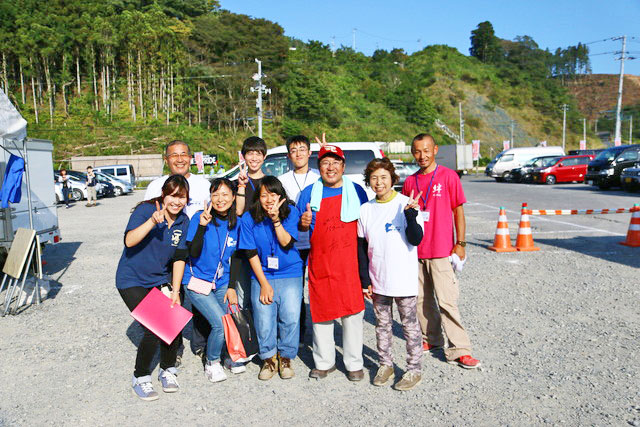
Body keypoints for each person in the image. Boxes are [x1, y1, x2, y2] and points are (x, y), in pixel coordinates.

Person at [401, 133, 481, 369]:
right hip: (416, 251)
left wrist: (461, 243)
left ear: (435, 150)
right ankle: (431, 339)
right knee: (421, 301)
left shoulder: (448, 176)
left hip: (442, 249)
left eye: (426, 150)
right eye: (417, 151)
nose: (421, 156)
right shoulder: (409, 181)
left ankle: (460, 349)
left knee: (447, 301)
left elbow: (458, 212)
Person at [297, 144, 369, 381]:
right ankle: (324, 362)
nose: (331, 167)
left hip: (349, 262)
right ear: (319, 167)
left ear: (343, 166)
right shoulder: (308, 193)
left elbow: (366, 228)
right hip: (321, 261)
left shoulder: (357, 191)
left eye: (335, 162)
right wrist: (303, 224)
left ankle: (354, 363)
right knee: (322, 314)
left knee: (352, 315)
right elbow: (297, 231)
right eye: (325, 162)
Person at [115, 175, 190, 401]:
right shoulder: (146, 210)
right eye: (173, 195)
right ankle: (140, 377)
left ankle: (168, 369)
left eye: (182, 197)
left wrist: (176, 291)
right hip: (132, 279)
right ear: (163, 195)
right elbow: (129, 241)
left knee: (173, 321)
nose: (177, 201)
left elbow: (179, 257)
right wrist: (151, 222)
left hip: (159, 279)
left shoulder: (183, 221)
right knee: (154, 326)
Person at [358, 158, 424, 391]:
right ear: (369, 181)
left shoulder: (408, 203)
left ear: (393, 179)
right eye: (374, 178)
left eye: (384, 177)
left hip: (403, 279)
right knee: (382, 325)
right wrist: (365, 280)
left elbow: (416, 239)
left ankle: (414, 368)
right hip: (379, 280)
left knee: (409, 326)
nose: (379, 182)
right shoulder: (365, 210)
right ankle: (385, 364)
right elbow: (361, 247)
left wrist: (410, 215)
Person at [144, 140, 212, 363]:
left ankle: (201, 344)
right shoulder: (155, 186)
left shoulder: (204, 184)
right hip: (167, 255)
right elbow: (147, 218)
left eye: (184, 154)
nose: (180, 159)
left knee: (200, 297)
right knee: (171, 301)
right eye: (174, 155)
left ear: (191, 158)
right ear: (166, 160)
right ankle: (174, 348)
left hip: (197, 252)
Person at [238, 176, 303, 381]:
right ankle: (268, 358)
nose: (268, 199)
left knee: (290, 317)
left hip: (290, 272)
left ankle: (285, 357)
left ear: (280, 196)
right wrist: (264, 284)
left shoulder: (291, 212)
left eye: (273, 194)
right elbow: (250, 253)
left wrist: (276, 220)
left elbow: (285, 242)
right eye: (264, 194)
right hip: (262, 274)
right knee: (264, 319)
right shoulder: (249, 219)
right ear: (258, 197)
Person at [183, 178, 244, 382]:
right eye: (215, 194)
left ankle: (228, 357)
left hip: (222, 281)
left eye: (225, 194)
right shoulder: (199, 218)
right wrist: (202, 226)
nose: (220, 199)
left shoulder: (236, 221)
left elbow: (235, 256)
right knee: (219, 323)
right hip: (197, 280)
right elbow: (192, 251)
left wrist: (232, 286)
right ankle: (212, 362)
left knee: (229, 319)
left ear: (233, 197)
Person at [277, 135, 321, 345]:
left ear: (310, 153)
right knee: (294, 287)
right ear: (288, 155)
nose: (298, 154)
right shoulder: (283, 180)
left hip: (317, 239)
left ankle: (321, 333)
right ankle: (299, 333)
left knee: (317, 285)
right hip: (292, 241)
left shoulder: (320, 177)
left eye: (302, 149)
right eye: (294, 150)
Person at [231, 136, 268, 311]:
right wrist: (241, 185)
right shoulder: (235, 183)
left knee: (263, 294)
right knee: (243, 295)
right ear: (243, 156)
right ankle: (246, 336)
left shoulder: (270, 183)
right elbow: (238, 211)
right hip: (243, 246)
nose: (254, 158)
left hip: (265, 245)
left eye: (258, 153)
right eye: (250, 153)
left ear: (264, 156)